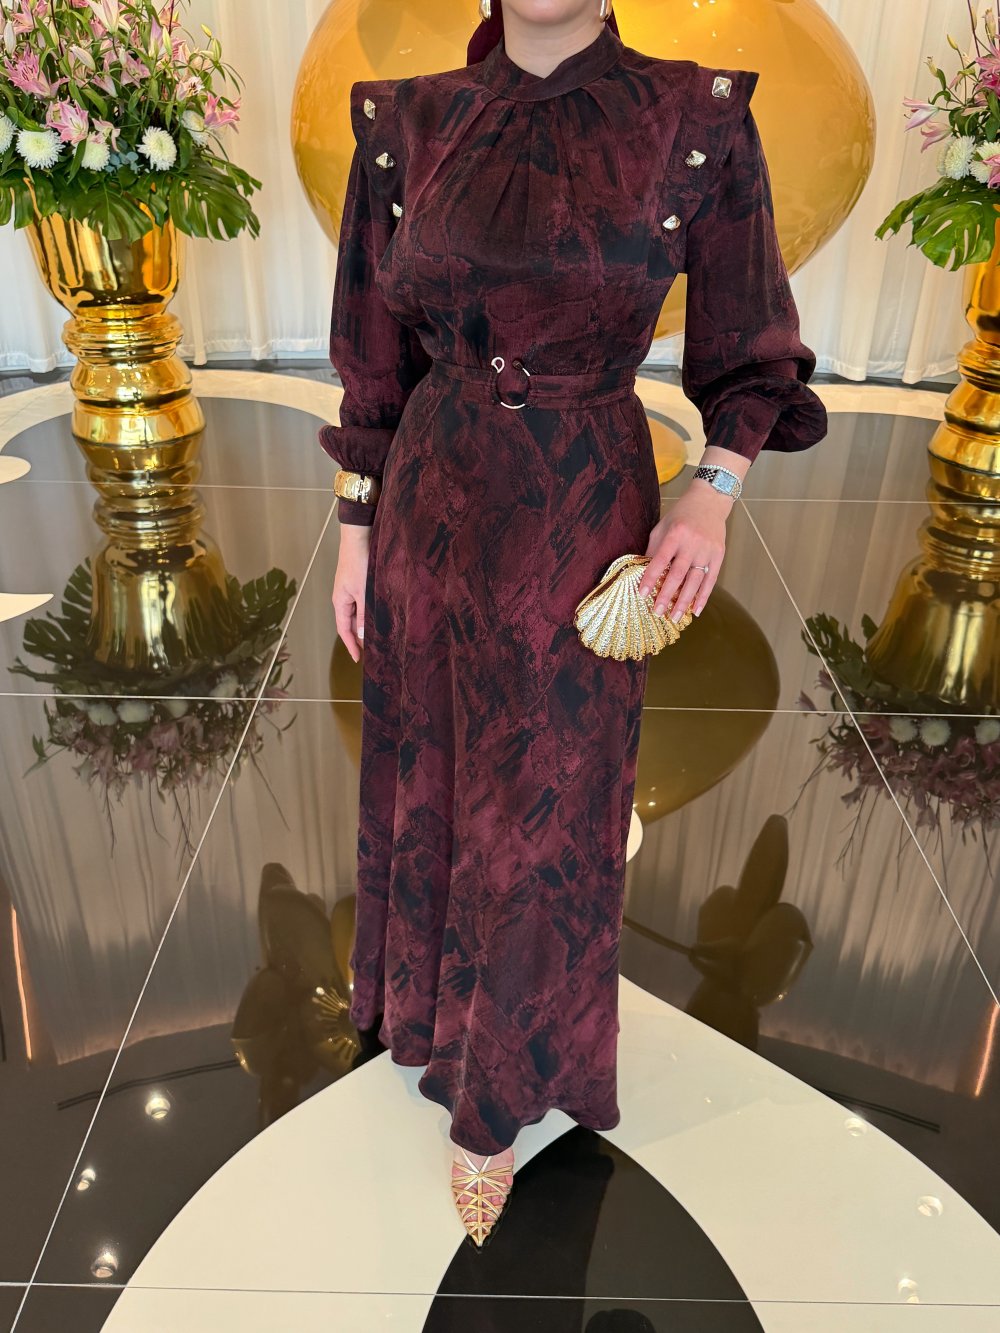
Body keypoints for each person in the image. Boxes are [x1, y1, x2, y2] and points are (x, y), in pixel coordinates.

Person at [321, 0, 827, 1247]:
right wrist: (355, 527)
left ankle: (496, 1095)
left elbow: (751, 341)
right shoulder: (407, 121)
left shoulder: (694, 117)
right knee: (433, 769)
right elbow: (373, 353)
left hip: (580, 498)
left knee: (546, 803)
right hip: (431, 492)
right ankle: (431, 1013)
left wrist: (711, 492)